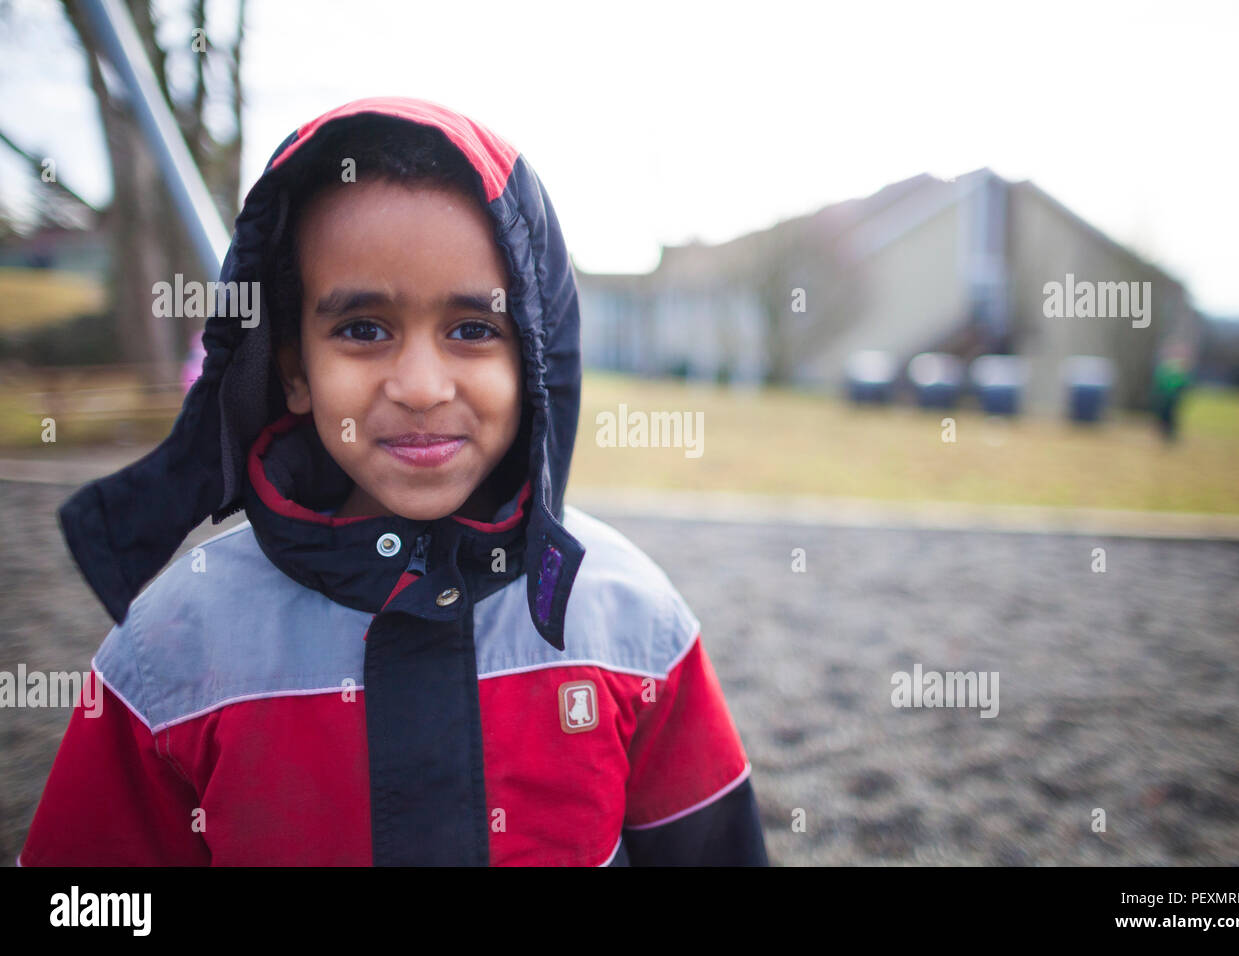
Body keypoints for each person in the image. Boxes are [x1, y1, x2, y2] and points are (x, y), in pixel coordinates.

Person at [20, 97, 768, 866]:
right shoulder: (168, 650)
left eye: (473, 330)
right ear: (294, 370)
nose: (419, 386)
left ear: (534, 362)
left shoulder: (632, 620)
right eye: (363, 330)